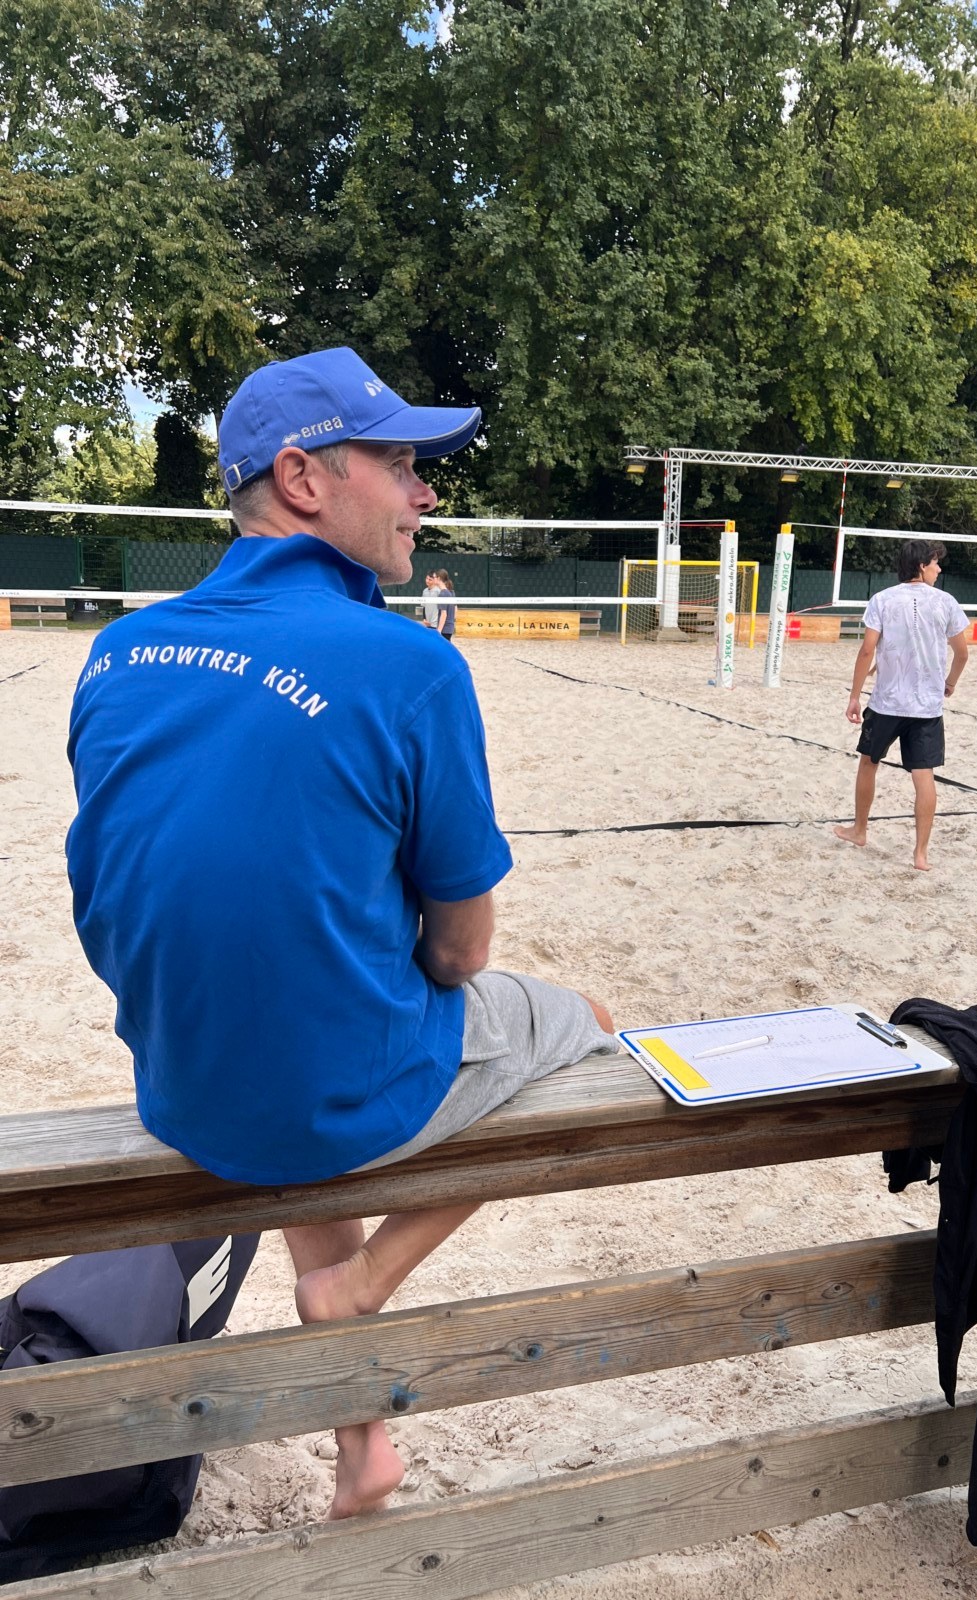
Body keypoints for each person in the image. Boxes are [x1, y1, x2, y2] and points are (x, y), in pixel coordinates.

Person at [65, 346, 618, 1521]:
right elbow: (463, 956)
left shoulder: (116, 652)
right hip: (314, 1087)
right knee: (591, 1025)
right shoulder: (411, 665)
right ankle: (367, 1277)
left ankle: (360, 1442)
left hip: (186, 1082)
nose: (427, 495)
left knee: (314, 1011)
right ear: (304, 477)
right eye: (404, 464)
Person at [834, 537, 970, 871]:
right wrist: (949, 683)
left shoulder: (882, 600)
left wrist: (854, 696)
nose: (939, 569)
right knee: (924, 776)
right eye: (936, 563)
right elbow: (962, 652)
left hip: (887, 703)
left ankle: (860, 830)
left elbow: (868, 650)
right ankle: (920, 854)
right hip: (926, 707)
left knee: (869, 763)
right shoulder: (945, 602)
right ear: (922, 565)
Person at [434, 568, 457, 643]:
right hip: (450, 627)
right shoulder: (451, 592)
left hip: (445, 628)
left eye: (435, 577)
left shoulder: (443, 594)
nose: (434, 579)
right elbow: (455, 609)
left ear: (439, 578)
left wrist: (439, 630)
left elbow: (444, 614)